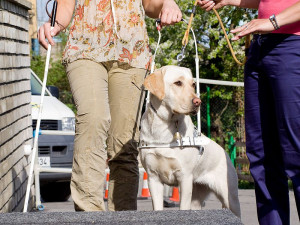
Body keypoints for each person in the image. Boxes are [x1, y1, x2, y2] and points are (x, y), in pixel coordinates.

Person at [38, 0, 182, 211]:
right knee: (93, 119)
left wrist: (167, 3)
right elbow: (66, 5)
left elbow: (151, 5)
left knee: (123, 142)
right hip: (84, 47)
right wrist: (55, 24)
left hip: (132, 51)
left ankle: (123, 216)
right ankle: (89, 215)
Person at [199, 0, 300, 224]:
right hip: (260, 48)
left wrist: (273, 22)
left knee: (296, 150)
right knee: (262, 155)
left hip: (292, 45)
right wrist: (229, 0)